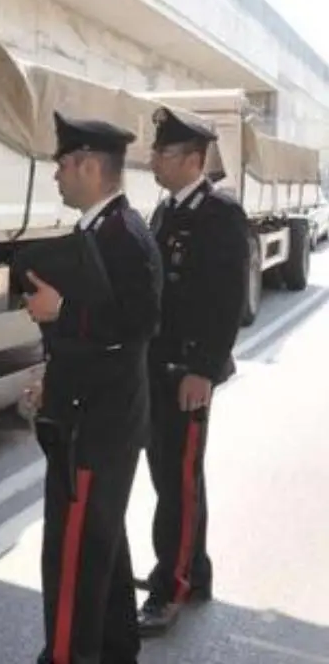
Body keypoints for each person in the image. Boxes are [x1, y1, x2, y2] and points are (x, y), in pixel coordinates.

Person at [21, 112, 162, 664]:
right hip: (89, 410)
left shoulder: (123, 235)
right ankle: (114, 648)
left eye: (62, 164)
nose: (56, 174)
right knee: (101, 542)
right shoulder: (102, 229)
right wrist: (49, 374)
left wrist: (64, 311)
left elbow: (141, 321)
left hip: (97, 422)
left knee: (73, 553)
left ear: (87, 165)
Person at [137, 107, 249, 636]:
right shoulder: (166, 210)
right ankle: (192, 570)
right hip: (159, 367)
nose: (153, 159)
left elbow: (226, 303)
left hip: (188, 372)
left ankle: (171, 587)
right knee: (173, 476)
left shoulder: (219, 214)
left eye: (163, 153)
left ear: (194, 160)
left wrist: (203, 369)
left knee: (177, 483)